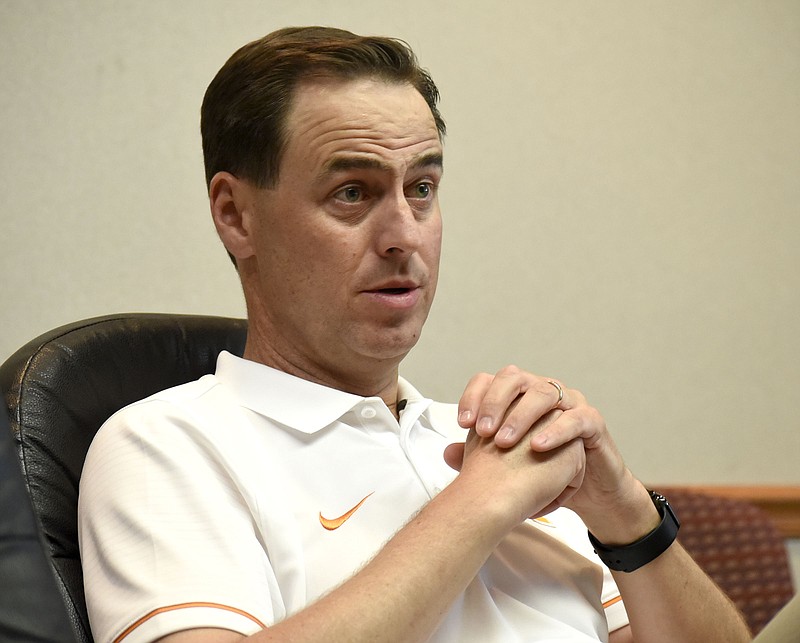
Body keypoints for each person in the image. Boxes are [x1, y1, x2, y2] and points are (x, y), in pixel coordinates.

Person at [77, 26, 751, 643]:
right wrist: (480, 503)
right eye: (352, 192)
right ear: (236, 215)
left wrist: (628, 514)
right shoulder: (167, 446)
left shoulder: (491, 444)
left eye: (421, 187)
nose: (404, 235)